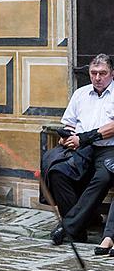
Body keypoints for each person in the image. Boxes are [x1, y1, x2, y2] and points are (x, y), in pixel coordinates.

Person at [46, 54, 114, 245]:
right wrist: (66, 137)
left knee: (103, 177)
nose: (97, 77)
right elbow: (69, 124)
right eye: (93, 73)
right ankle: (80, 228)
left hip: (109, 150)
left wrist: (82, 138)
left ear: (112, 74)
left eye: (103, 73)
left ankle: (69, 228)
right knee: (58, 172)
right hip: (82, 149)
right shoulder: (81, 94)